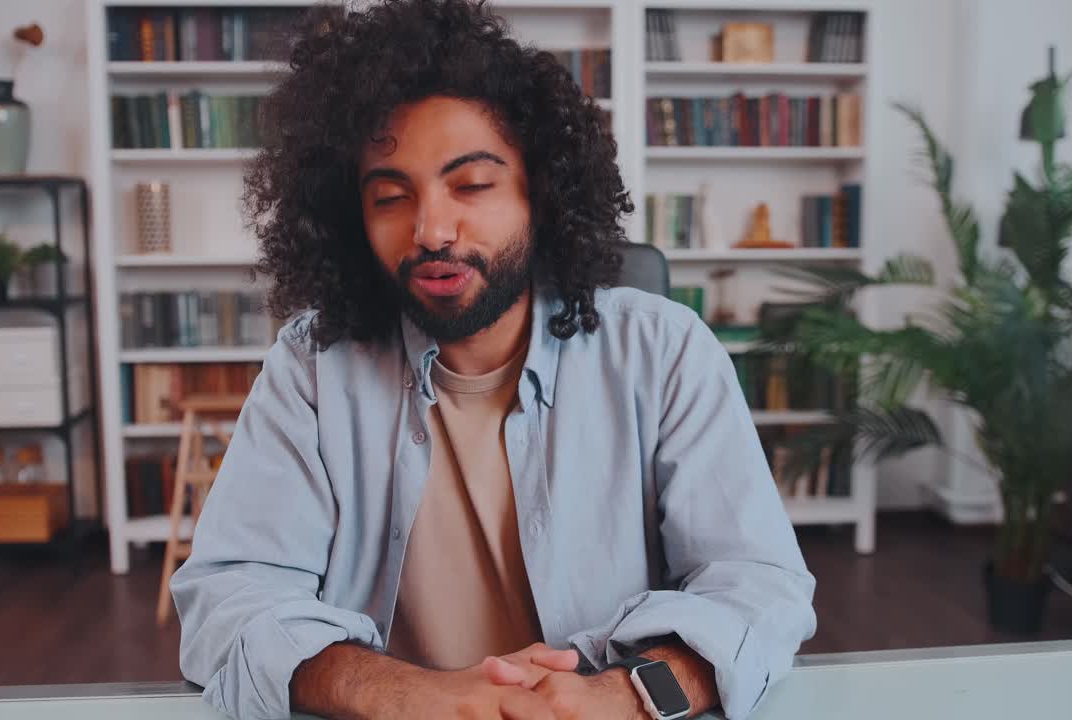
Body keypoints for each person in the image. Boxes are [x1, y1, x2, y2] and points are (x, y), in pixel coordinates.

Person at [171, 1, 816, 718]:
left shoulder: (665, 352)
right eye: (390, 196)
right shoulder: (313, 368)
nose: (431, 229)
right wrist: (415, 698)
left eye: (472, 185)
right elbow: (229, 597)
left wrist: (621, 699)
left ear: (540, 191)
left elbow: (757, 585)